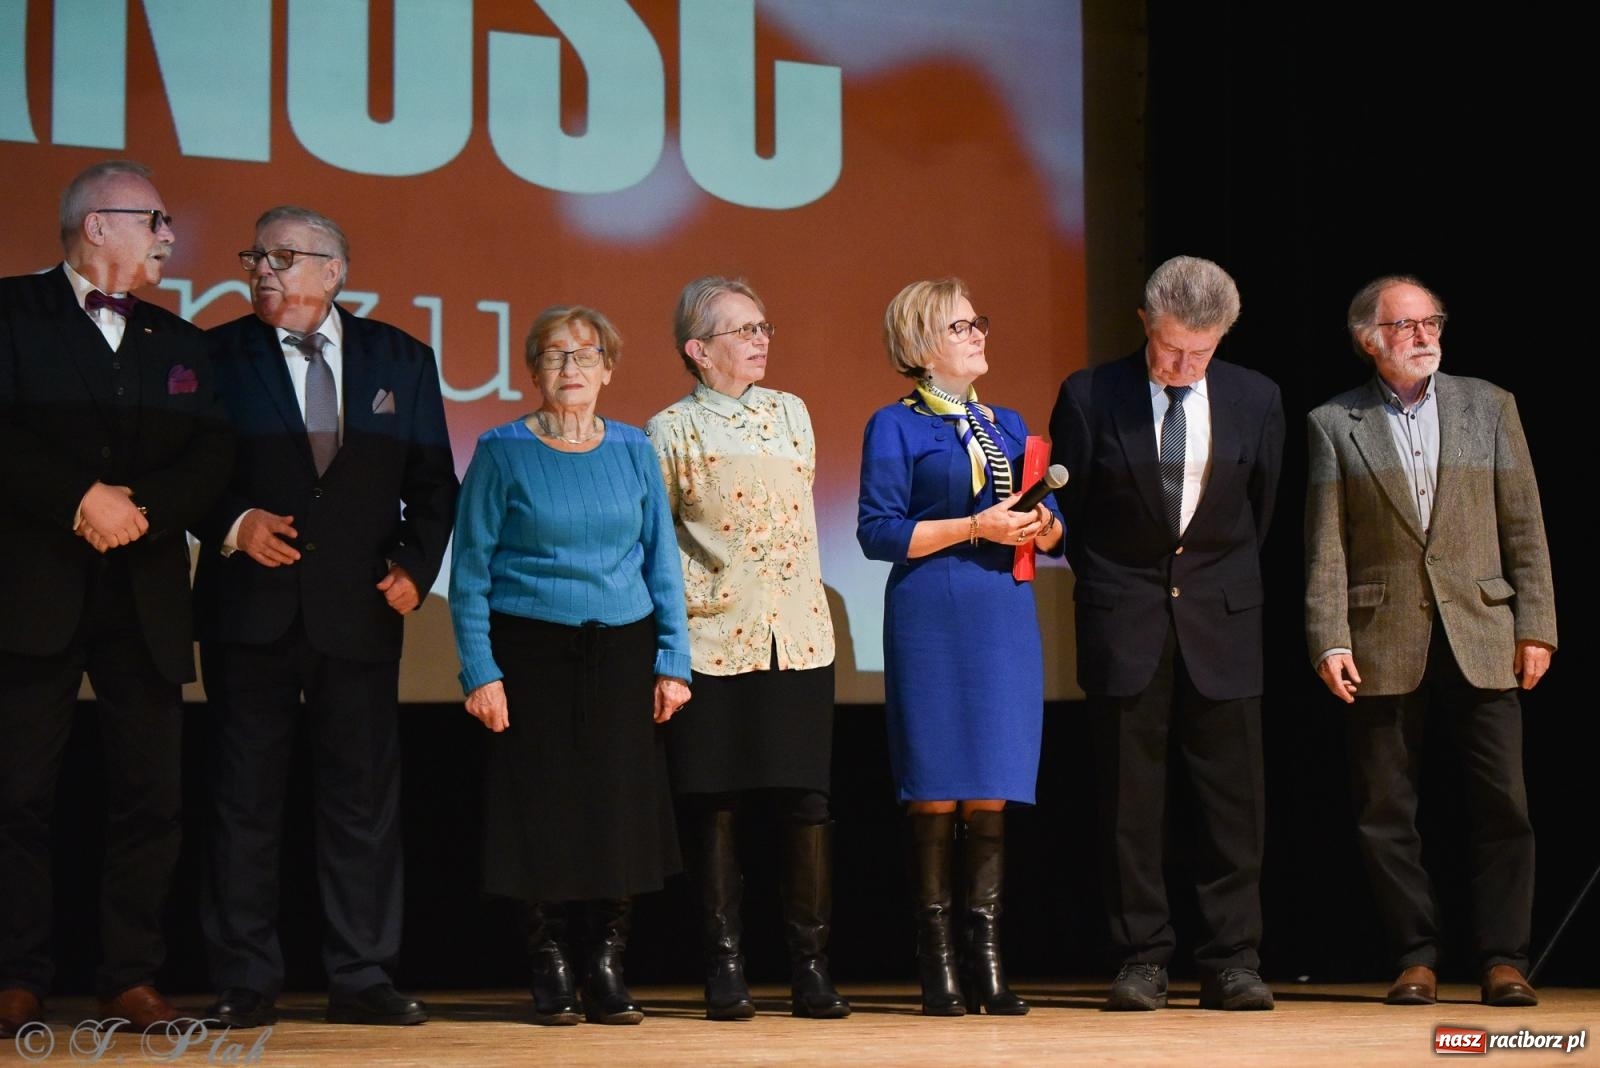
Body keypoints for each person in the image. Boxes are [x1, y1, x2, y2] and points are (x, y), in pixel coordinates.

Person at [193, 206, 458, 1028]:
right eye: (255, 256)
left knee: (361, 804)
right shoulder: (211, 355)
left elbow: (434, 485)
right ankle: (245, 978)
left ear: (332, 271)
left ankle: (362, 974)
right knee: (243, 802)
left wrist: (415, 565)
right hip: (249, 611)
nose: (261, 270)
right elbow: (182, 472)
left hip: (360, 612)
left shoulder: (401, 358)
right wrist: (235, 523)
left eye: (281, 257)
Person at [0, 160, 232, 1037]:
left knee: (151, 798)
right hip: (32, 592)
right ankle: (16, 975)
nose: (169, 236)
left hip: (146, 598)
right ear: (97, 224)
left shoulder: (181, 340)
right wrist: (79, 498)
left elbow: (212, 454)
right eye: (154, 220)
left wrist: (140, 511)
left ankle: (129, 977)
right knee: (16, 794)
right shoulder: (9, 313)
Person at [1305, 275, 1556, 1008]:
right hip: (1381, 634)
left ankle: (1504, 959)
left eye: (1432, 322)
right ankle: (1414, 957)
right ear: (1369, 340)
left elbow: (1525, 525)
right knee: (1385, 811)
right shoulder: (1334, 422)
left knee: (1504, 805)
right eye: (1406, 325)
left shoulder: (1490, 405)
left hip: (1483, 628)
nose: (1424, 336)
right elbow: (1326, 544)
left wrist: (1537, 625)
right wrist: (1328, 638)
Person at [1048, 255, 1283, 1012]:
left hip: (1223, 621)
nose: (1183, 367)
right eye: (1171, 348)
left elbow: (1260, 513)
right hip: (1126, 618)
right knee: (1129, 802)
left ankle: (1232, 959)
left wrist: (1210, 585)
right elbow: (1072, 517)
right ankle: (1140, 957)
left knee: (1233, 803)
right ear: (1146, 322)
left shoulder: (1256, 397)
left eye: (1200, 353)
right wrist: (1121, 586)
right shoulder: (1089, 395)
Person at [450, 305, 690, 1026]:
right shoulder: (500, 451)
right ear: (533, 369)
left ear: (608, 369)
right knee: (543, 812)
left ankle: (608, 965)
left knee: (618, 812)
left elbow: (662, 561)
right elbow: (470, 573)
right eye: (555, 355)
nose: (571, 367)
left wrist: (674, 660)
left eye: (586, 355)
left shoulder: (633, 448)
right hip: (531, 655)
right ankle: (550, 963)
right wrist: (480, 672)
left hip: (622, 651)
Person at [645, 277, 849, 1021]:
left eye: (764, 327)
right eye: (743, 330)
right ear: (699, 351)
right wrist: (667, 650)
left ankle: (811, 968)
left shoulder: (792, 412)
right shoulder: (669, 430)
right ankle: (724, 968)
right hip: (711, 639)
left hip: (796, 635)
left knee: (806, 801)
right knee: (715, 803)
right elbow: (657, 542)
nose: (761, 340)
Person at [857, 278, 1061, 1016]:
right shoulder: (895, 424)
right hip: (932, 610)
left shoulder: (1007, 423)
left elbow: (1053, 524)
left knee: (993, 781)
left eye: (979, 322)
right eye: (960, 326)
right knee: (937, 783)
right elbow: (878, 532)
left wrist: (1043, 526)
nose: (978, 335)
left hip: (1001, 611)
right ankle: (937, 960)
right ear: (921, 345)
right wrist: (976, 526)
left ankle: (988, 960)